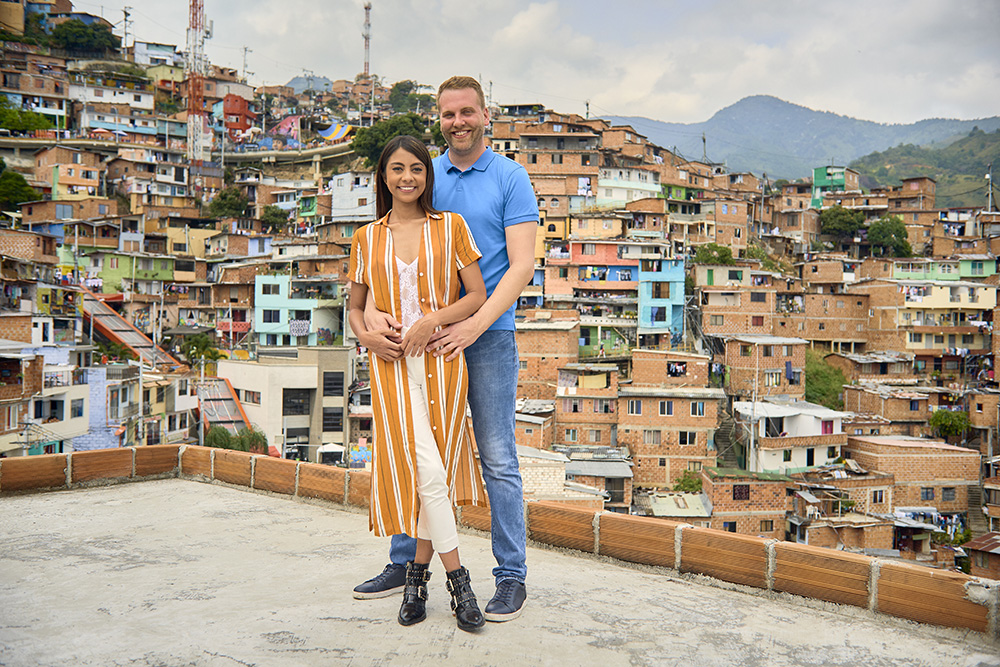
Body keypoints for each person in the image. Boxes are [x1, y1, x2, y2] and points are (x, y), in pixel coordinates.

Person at [353, 76, 538, 622]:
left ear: (485, 115)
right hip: (424, 345)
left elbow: (521, 265)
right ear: (439, 117)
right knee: (416, 450)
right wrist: (371, 323)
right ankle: (407, 560)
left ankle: (510, 576)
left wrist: (476, 325)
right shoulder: (425, 173)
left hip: (486, 336)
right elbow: (392, 252)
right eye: (448, 113)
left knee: (496, 455)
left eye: (467, 112)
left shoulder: (510, 177)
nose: (457, 121)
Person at [347, 134, 489, 632]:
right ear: (383, 177)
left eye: (417, 169)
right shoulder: (367, 237)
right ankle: (460, 583)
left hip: (442, 364)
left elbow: (476, 295)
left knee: (435, 475)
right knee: (426, 472)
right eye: (397, 169)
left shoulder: (451, 228)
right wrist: (368, 337)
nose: (407, 178)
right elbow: (354, 307)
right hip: (391, 370)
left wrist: (433, 320)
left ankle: (416, 581)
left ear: (427, 176)